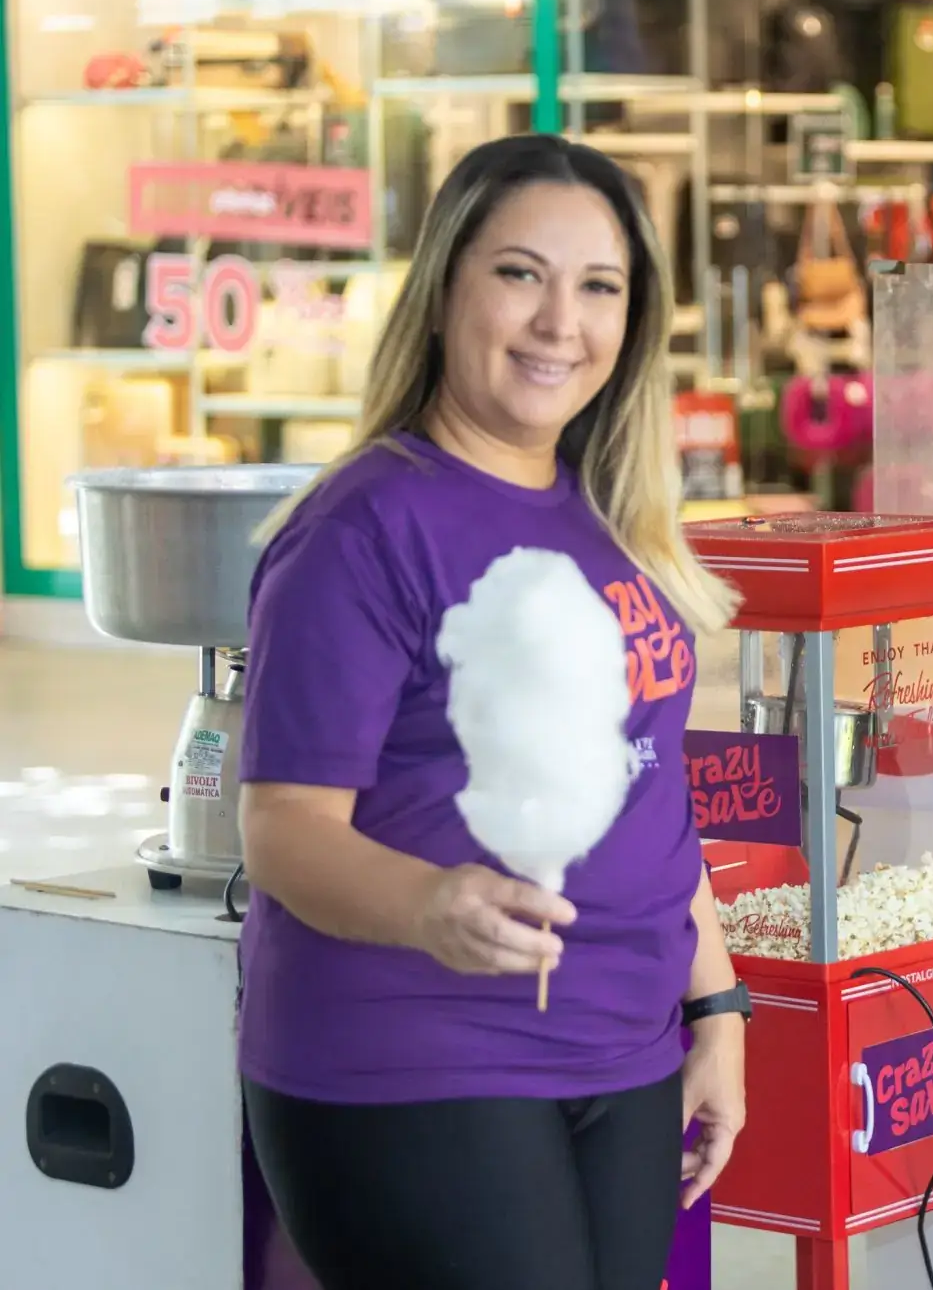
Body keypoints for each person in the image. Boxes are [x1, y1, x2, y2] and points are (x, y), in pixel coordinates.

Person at [235, 133, 748, 1290]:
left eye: (599, 287)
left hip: (621, 1046)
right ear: (443, 293)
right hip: (416, 1053)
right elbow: (280, 827)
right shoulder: (362, 529)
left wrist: (714, 1004)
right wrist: (431, 904)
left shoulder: (611, 518)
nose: (559, 321)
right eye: (520, 273)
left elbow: (646, 780)